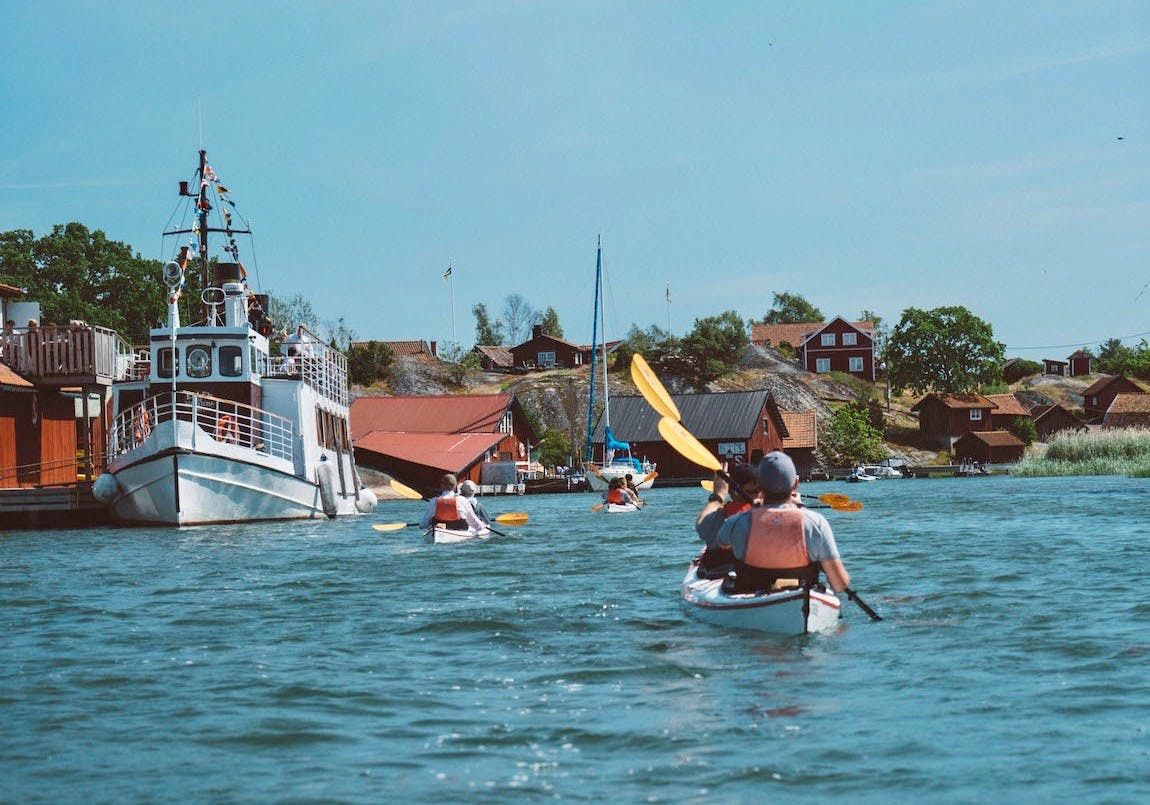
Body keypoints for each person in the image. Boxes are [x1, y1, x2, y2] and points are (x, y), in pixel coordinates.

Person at [715, 451, 851, 594]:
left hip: (751, 595)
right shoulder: (816, 523)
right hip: (801, 595)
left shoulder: (736, 522)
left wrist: (756, 511)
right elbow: (839, 584)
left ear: (758, 485)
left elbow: (722, 543)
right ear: (796, 484)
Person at [694, 463, 759, 574]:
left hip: (724, 572)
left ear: (731, 491)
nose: (758, 497)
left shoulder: (721, 519)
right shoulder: (775, 514)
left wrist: (718, 495)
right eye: (753, 492)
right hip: (757, 574)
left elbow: (701, 527)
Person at [419, 473, 485, 532]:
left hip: (438, 529)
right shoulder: (463, 500)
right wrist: (482, 526)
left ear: (441, 486)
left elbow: (422, 525)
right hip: (459, 530)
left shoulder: (433, 501)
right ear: (455, 486)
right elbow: (474, 522)